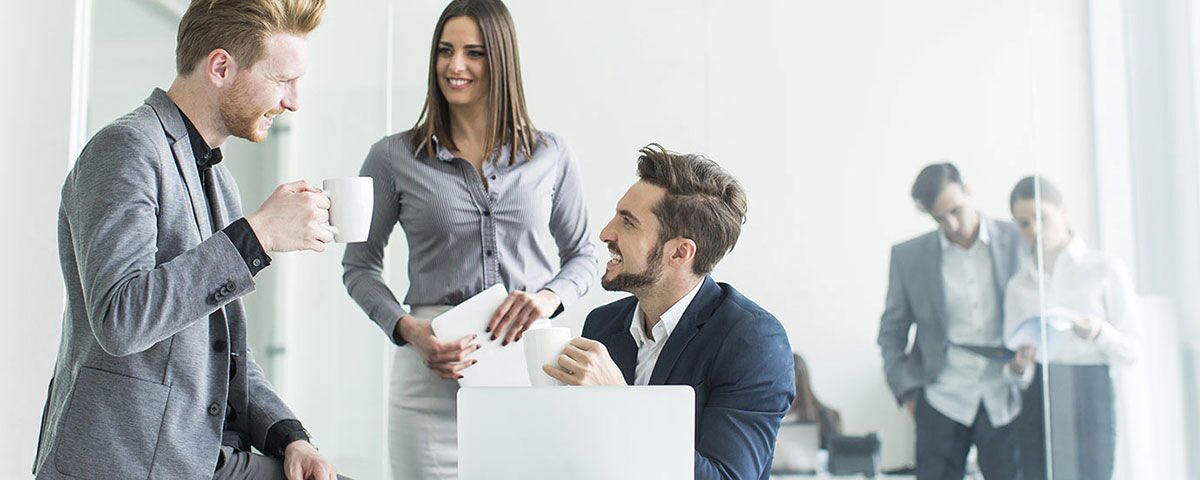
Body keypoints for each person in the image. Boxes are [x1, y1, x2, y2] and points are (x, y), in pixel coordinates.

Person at [32, 1, 347, 479]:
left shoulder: (219, 180)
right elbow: (120, 318)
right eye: (283, 80)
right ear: (221, 67)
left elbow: (223, 351)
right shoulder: (127, 149)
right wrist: (256, 235)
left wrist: (290, 437)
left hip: (199, 454)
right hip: (126, 461)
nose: (293, 101)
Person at [340, 1, 598, 478]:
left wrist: (546, 299)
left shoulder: (551, 155)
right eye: (445, 51)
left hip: (530, 368)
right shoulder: (393, 157)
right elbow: (358, 267)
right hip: (431, 372)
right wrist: (408, 329)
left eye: (473, 53)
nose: (455, 66)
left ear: (500, 61)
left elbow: (584, 254)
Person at [540, 144, 795, 480]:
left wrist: (617, 401)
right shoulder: (603, 324)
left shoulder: (753, 341)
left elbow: (724, 477)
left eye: (628, 223)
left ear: (679, 252)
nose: (605, 233)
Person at [876, 163, 1030, 480]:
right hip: (941, 398)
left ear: (968, 190)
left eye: (956, 210)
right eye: (939, 218)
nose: (952, 223)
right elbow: (891, 334)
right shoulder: (909, 257)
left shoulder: (1017, 239)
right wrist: (907, 392)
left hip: (1005, 396)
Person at [1004, 176, 1140, 480]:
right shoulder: (1018, 286)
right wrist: (1019, 367)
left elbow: (1133, 351)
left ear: (1063, 212)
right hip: (1039, 394)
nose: (1035, 230)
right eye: (1024, 224)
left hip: (1089, 386)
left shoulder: (1105, 268)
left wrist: (1099, 331)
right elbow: (1013, 368)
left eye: (1042, 217)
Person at [785, 353, 843, 450]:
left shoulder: (825, 419)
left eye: (796, 389)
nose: (789, 395)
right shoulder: (766, 416)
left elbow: (834, 459)